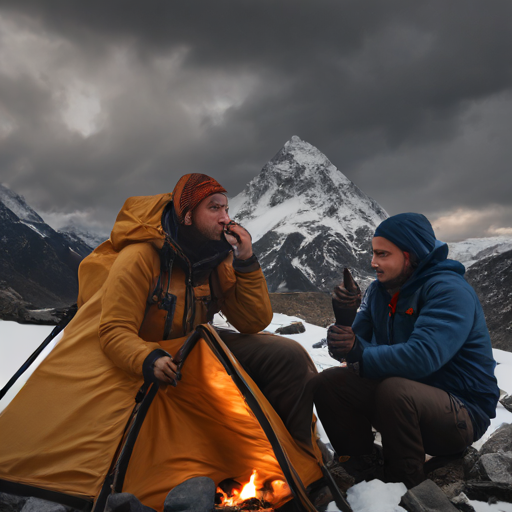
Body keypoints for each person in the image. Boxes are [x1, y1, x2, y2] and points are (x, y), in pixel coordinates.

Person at [0, 173, 323, 510]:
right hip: (144, 355)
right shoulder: (141, 256)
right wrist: (147, 358)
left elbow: (253, 321)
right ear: (187, 215)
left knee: (287, 355)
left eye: (226, 208)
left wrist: (245, 261)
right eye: (214, 208)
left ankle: (299, 460)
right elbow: (113, 329)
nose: (226, 218)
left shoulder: (216, 259)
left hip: (196, 352)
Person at [313, 213, 500, 488]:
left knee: (395, 390)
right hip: (404, 400)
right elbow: (350, 349)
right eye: (373, 253)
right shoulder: (380, 291)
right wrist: (344, 318)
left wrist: (358, 349)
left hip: (461, 412)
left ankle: (405, 486)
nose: (374, 262)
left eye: (383, 254)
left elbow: (423, 356)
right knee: (329, 383)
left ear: (409, 255)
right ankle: (359, 466)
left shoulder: (448, 290)